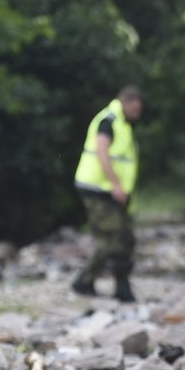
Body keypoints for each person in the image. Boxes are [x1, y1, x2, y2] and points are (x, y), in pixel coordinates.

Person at [71, 86, 144, 302]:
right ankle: (84, 281)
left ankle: (121, 287)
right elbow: (101, 150)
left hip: (107, 191)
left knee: (124, 239)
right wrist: (115, 184)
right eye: (136, 109)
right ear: (127, 103)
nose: (138, 114)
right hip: (98, 189)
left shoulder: (122, 124)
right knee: (113, 239)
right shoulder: (109, 121)